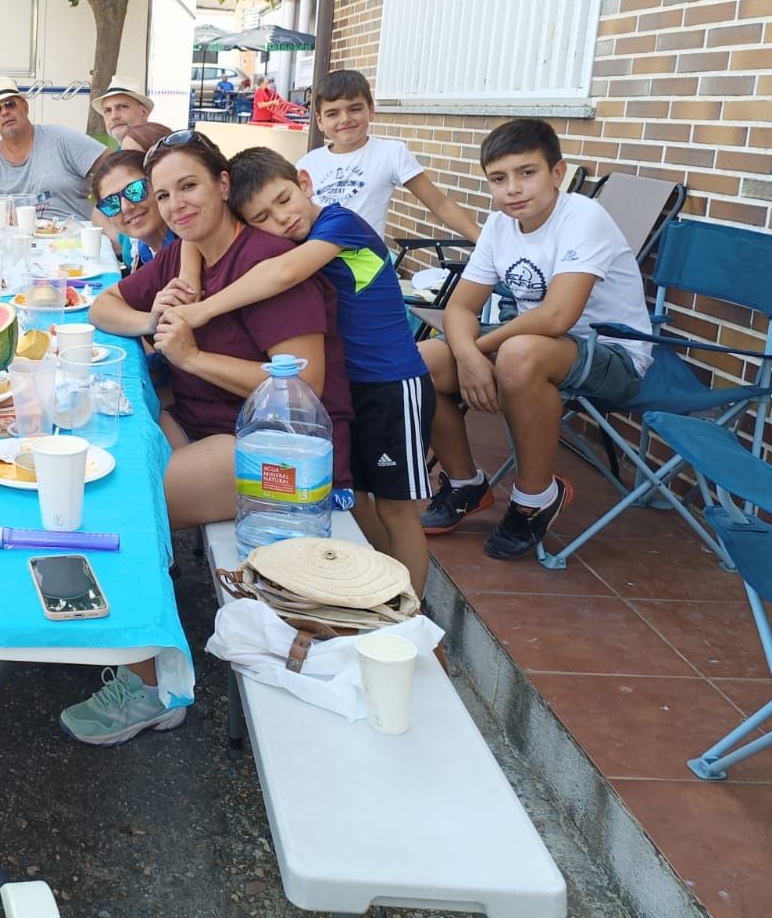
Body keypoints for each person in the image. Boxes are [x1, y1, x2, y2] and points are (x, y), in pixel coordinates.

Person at [61, 129, 353, 746]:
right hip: (203, 427)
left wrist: (189, 357)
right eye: (163, 195)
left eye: (188, 186)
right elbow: (102, 306)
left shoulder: (268, 263)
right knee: (88, 456)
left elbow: (306, 387)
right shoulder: (182, 255)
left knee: (119, 510)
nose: (174, 206)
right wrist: (153, 319)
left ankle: (152, 690)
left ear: (224, 185)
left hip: (278, 447)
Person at [173, 147, 436, 594]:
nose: (281, 220)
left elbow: (281, 273)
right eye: (261, 218)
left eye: (284, 199)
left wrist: (201, 311)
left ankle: (409, 609)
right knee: (363, 506)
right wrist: (190, 273)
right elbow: (191, 240)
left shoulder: (339, 223)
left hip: (394, 387)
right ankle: (376, 588)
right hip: (353, 391)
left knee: (398, 510)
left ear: (305, 182)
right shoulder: (296, 236)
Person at [417, 118, 652, 560]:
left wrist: (477, 351)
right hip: (531, 349)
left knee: (518, 353)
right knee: (420, 360)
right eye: (499, 179)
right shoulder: (499, 226)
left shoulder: (583, 217)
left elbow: (559, 315)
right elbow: (460, 307)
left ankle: (534, 498)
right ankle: (466, 485)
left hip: (614, 353)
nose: (513, 189)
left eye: (528, 173)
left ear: (557, 173)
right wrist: (465, 356)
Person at [297, 68, 482, 242]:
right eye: (332, 113)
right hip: (316, 263)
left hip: (366, 264)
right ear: (320, 121)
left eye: (354, 109)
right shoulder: (308, 163)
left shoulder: (391, 153)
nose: (345, 119)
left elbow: (440, 204)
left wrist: (484, 243)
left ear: (371, 111)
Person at [0, 76, 108, 223]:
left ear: (25, 107)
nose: (4, 112)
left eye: (10, 104)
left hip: (73, 240)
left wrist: (104, 209)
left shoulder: (62, 139)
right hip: (13, 241)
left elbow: (114, 165)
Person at [91, 149, 173, 274]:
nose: (125, 207)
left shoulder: (190, 247)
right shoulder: (142, 250)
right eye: (111, 203)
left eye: (135, 190)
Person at [93, 75, 155, 145]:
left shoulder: (161, 151)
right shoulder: (115, 153)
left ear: (143, 113)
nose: (114, 116)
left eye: (122, 107)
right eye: (108, 110)